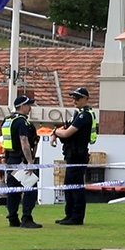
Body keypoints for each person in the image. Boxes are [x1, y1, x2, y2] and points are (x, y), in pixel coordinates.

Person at [52, 87, 97, 225]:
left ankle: (76, 217)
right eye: (73, 98)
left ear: (86, 99)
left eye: (77, 98)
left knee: (76, 187)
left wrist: (55, 131)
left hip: (78, 155)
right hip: (72, 155)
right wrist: (57, 133)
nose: (74, 100)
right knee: (69, 185)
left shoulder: (85, 115)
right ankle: (69, 215)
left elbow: (66, 133)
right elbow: (64, 130)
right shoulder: (77, 114)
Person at [1, 95, 42, 228]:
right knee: (31, 188)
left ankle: (13, 218)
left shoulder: (7, 120)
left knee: (13, 191)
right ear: (22, 106)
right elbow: (24, 142)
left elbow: (6, 142)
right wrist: (30, 162)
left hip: (10, 159)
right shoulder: (22, 122)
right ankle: (27, 218)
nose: (30, 108)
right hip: (21, 160)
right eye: (29, 105)